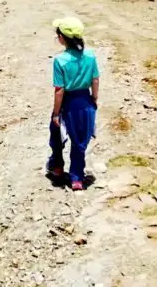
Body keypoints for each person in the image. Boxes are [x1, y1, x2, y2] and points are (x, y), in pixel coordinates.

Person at [47, 16, 100, 191]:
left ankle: (57, 166)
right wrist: (94, 99)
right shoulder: (90, 56)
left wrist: (56, 112)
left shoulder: (60, 60)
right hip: (85, 100)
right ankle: (77, 177)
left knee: (56, 131)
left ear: (62, 38)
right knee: (80, 141)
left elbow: (59, 90)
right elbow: (95, 80)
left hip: (68, 101)